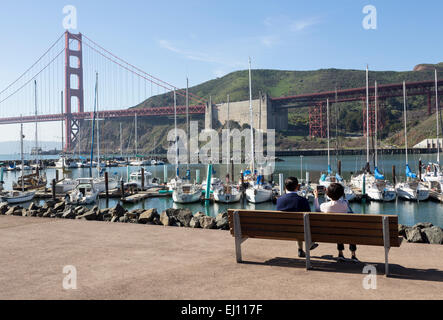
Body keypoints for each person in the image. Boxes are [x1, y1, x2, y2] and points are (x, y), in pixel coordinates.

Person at [314, 183, 358, 262]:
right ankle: (353, 255)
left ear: (328, 194)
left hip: (331, 232)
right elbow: (344, 202)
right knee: (347, 228)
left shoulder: (324, 206)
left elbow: (317, 209)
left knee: (338, 228)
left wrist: (316, 196)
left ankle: (340, 253)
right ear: (341, 194)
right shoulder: (345, 204)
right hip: (346, 231)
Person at [276, 177, 318, 258]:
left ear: (285, 187)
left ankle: (300, 249)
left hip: (282, 230)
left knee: (298, 225)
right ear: (297, 187)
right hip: (299, 230)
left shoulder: (279, 200)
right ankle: (309, 244)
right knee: (302, 224)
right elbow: (309, 217)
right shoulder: (303, 200)